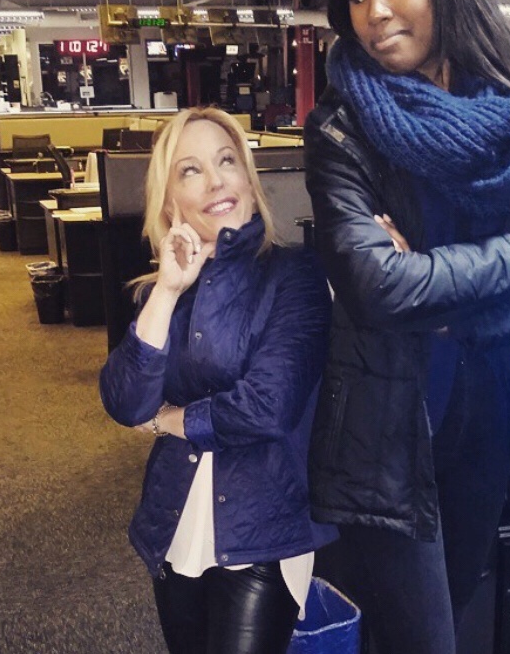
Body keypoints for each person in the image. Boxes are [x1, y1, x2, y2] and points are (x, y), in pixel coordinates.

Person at [303, 0, 510, 652]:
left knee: (462, 606)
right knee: (421, 639)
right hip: (387, 435)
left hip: (487, 422)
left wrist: (455, 313)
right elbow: (378, 286)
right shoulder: (342, 129)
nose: (374, 11)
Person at [100, 107, 335, 654]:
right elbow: (126, 403)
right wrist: (167, 290)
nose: (215, 181)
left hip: (263, 529)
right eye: (191, 170)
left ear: (249, 178)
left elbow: (267, 406)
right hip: (175, 521)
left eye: (227, 161)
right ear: (170, 202)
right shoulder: (158, 293)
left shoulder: (294, 275)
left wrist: (171, 420)